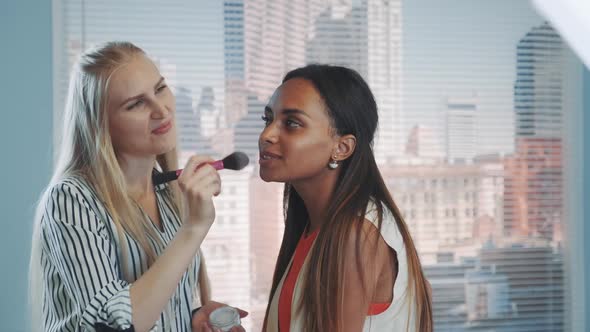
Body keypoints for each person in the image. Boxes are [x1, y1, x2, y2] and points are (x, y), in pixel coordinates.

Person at [29, 41, 246, 332]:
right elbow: (114, 325)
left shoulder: (168, 195)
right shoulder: (72, 199)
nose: (161, 110)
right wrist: (193, 229)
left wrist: (189, 318)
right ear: (100, 125)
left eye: (160, 89)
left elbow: (153, 303)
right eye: (136, 103)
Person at [260, 64, 433, 332]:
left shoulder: (355, 235)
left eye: (292, 123)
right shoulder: (314, 227)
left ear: (342, 148)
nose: (267, 135)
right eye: (268, 119)